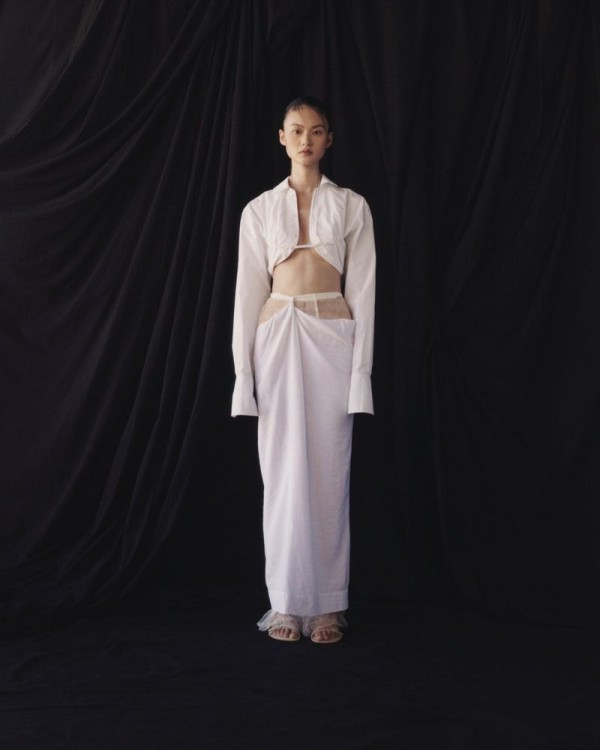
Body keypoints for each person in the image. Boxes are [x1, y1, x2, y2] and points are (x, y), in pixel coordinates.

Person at [231, 96, 376, 644]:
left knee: (329, 467)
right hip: (277, 335)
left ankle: (327, 607)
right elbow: (247, 295)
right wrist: (243, 378)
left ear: (328, 140)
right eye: (297, 130)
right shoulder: (258, 210)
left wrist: (360, 375)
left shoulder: (352, 206)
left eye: (316, 131)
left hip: (331, 338)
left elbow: (364, 291)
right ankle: (286, 604)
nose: (306, 140)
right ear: (282, 137)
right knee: (282, 471)